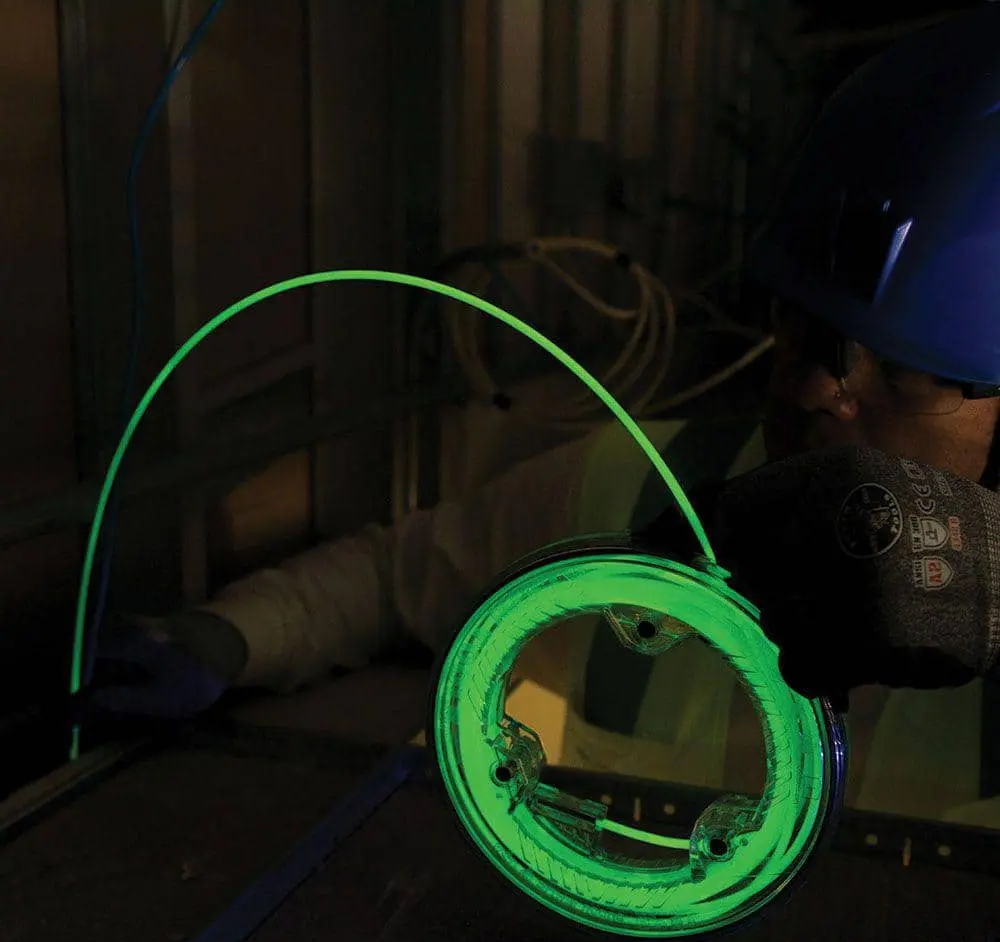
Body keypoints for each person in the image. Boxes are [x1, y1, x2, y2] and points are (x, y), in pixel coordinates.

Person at [89, 6, 1000, 826]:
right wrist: (229, 637)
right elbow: (390, 579)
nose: (810, 390)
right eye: (802, 331)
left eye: (907, 374)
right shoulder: (639, 487)